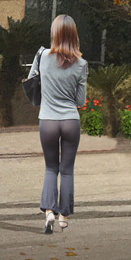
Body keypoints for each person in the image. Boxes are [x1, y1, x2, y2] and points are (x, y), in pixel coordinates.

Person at [31, 14, 88, 234]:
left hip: (48, 120)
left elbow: (31, 81)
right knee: (66, 170)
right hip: (71, 121)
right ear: (74, 35)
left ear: (54, 34)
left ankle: (49, 213)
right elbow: (81, 101)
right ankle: (64, 217)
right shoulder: (81, 64)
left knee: (50, 168)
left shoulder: (42, 56)